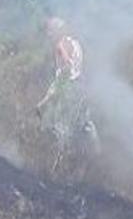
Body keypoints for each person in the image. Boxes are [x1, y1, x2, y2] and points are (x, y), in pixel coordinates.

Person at [36, 17, 98, 166]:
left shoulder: (60, 45)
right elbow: (78, 69)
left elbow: (66, 71)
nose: (49, 34)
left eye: (50, 31)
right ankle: (95, 155)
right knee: (84, 124)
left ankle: (58, 164)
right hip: (81, 89)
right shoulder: (76, 44)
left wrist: (46, 100)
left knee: (60, 129)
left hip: (69, 91)